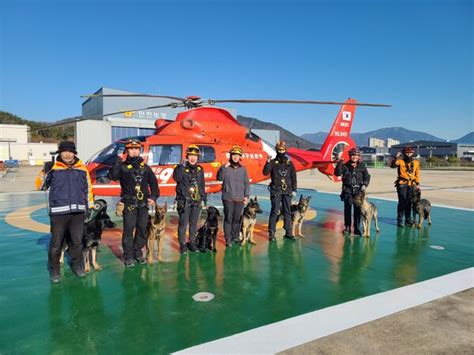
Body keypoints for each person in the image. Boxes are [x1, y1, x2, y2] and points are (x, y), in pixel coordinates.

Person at [35, 141, 95, 283]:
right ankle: (54, 270)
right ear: (59, 153)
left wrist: (90, 205)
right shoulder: (53, 168)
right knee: (56, 244)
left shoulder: (82, 168)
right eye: (64, 151)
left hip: (78, 212)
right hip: (58, 213)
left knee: (77, 242)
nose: (67, 154)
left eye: (70, 151)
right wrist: (44, 172)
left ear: (74, 153)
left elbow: (88, 189)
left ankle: (78, 266)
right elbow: (40, 186)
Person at [108, 139, 159, 267]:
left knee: (142, 230)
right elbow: (113, 176)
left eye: (136, 149)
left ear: (139, 151)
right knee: (128, 231)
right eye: (131, 149)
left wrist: (153, 196)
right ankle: (128, 256)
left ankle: (138, 253)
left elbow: (154, 184)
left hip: (143, 205)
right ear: (127, 151)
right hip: (129, 204)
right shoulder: (123, 167)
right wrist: (118, 160)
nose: (134, 151)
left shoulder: (146, 168)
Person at [173, 144, 206, 254]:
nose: (193, 158)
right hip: (185, 200)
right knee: (183, 223)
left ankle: (192, 242)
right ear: (187, 156)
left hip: (196, 200)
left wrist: (203, 198)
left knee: (194, 223)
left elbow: (202, 185)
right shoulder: (181, 168)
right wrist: (181, 167)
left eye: (195, 156)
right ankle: (182, 244)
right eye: (191, 155)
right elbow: (176, 178)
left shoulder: (200, 169)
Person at [263, 141, 297, 241]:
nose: (281, 151)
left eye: (282, 150)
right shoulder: (273, 162)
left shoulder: (289, 163)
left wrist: (294, 189)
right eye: (279, 150)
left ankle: (288, 232)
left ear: (285, 150)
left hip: (287, 191)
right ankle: (272, 232)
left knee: (287, 211)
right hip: (276, 191)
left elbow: (293, 177)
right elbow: (265, 172)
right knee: (275, 211)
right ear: (276, 150)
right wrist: (268, 162)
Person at [217, 145, 250, 247]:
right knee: (228, 218)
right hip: (228, 198)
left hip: (240, 198)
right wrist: (223, 168)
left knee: (237, 218)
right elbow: (219, 178)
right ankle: (228, 239)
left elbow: (246, 183)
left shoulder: (243, 169)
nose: (235, 157)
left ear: (240, 157)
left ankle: (235, 236)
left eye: (237, 155)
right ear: (230, 156)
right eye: (233, 155)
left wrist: (246, 196)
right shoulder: (225, 167)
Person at [334, 147, 371, 235]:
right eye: (352, 155)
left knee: (358, 210)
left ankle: (357, 227)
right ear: (350, 156)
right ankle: (347, 227)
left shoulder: (362, 166)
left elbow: (367, 176)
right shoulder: (344, 165)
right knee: (347, 209)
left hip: (358, 191)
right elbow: (337, 173)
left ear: (358, 156)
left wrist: (365, 184)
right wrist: (340, 162)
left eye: (356, 155)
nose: (354, 157)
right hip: (347, 190)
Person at [390, 145, 420, 227]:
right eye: (407, 152)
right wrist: (396, 157)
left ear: (413, 153)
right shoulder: (400, 161)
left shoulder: (416, 162)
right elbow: (392, 165)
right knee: (402, 202)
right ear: (404, 153)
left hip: (412, 184)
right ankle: (400, 220)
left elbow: (417, 173)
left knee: (409, 202)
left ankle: (408, 219)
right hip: (402, 183)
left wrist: (417, 184)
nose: (409, 154)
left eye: (410, 152)